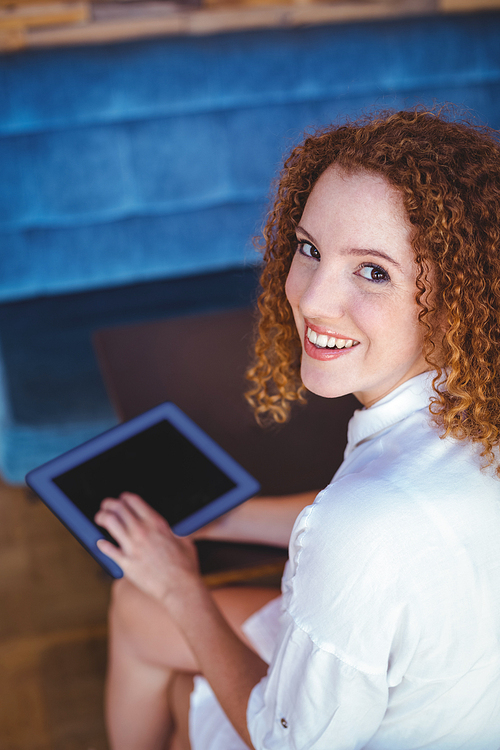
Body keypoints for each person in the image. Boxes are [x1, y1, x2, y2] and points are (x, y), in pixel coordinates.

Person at [94, 108, 500, 750]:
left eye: (373, 271)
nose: (310, 298)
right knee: (139, 612)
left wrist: (179, 583)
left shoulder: (362, 527)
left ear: (459, 295)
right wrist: (226, 517)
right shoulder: (476, 409)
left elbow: (282, 742)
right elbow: (404, 537)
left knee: (171, 663)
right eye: (309, 249)